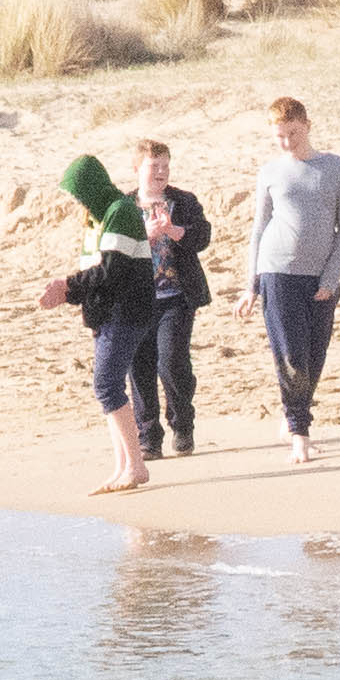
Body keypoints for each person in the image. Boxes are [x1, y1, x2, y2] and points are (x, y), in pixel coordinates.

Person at [245, 95, 340, 465]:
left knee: (314, 356)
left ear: (307, 125)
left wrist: (331, 276)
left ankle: (293, 416)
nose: (287, 142)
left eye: (292, 133)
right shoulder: (270, 173)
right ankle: (300, 434)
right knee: (290, 356)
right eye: (280, 136)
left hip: (321, 278)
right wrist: (251, 284)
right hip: (277, 273)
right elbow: (258, 230)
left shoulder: (335, 167)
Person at [36, 153, 154, 494]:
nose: (78, 202)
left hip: (126, 313)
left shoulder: (121, 212)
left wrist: (67, 287)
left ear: (93, 188)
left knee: (106, 386)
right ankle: (123, 466)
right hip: (107, 315)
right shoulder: (99, 219)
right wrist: (70, 293)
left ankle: (136, 466)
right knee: (109, 388)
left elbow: (112, 271)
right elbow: (97, 274)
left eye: (79, 195)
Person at [128, 139, 213, 461]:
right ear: (137, 169)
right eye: (154, 166)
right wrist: (144, 236)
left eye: (165, 165)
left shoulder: (184, 201)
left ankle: (182, 426)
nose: (161, 172)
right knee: (140, 368)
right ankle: (148, 437)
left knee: (172, 362)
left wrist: (175, 231)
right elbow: (110, 249)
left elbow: (203, 236)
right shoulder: (123, 206)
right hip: (135, 300)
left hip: (176, 296)